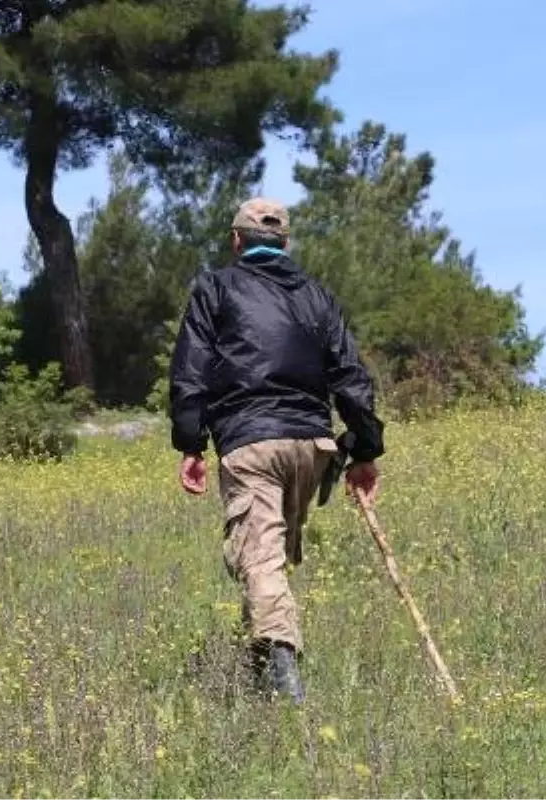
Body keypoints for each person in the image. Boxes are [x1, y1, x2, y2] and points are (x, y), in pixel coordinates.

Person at [168, 197, 385, 703]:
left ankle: (286, 683)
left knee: (259, 558)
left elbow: (191, 368)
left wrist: (191, 443)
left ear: (236, 240)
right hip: (312, 445)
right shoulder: (317, 296)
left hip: (250, 441)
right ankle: (262, 671)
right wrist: (365, 452)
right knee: (268, 557)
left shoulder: (215, 288)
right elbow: (351, 377)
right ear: (284, 243)